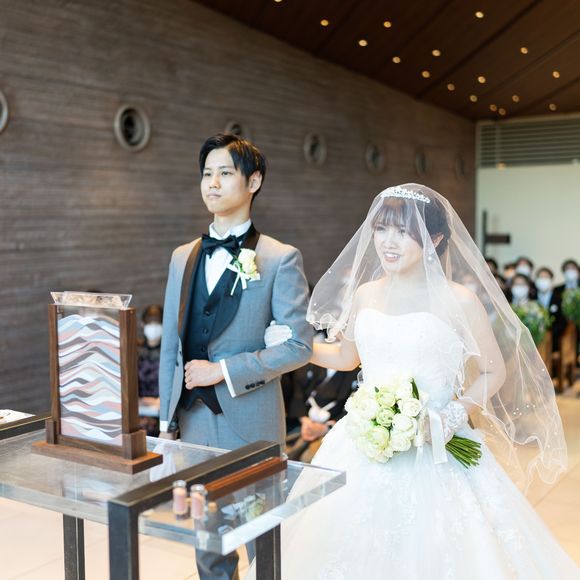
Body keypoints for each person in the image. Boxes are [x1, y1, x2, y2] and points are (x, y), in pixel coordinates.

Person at [250, 184, 578, 579]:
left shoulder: (460, 300)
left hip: (436, 445)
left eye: (404, 232)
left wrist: (453, 415)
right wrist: (293, 345)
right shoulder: (365, 295)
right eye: (382, 229)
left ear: (434, 239)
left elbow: (495, 371)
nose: (388, 242)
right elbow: (345, 357)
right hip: (363, 443)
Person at [158, 133, 313, 580]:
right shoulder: (182, 257)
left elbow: (299, 346)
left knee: (262, 544)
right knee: (208, 547)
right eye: (207, 174)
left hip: (250, 424)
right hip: (192, 424)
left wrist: (223, 371)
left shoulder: (280, 258)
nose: (212, 183)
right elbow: (171, 345)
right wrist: (166, 423)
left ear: (253, 181)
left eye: (225, 173)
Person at [137, 304, 163, 436]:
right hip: (138, 412)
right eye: (150, 322)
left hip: (162, 413)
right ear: (143, 324)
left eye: (157, 323)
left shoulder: (170, 352)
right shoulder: (135, 350)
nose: (153, 327)